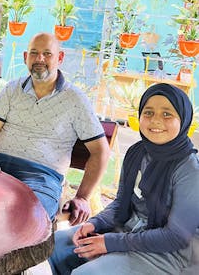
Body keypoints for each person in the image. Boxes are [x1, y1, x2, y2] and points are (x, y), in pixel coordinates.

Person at [49, 83, 199, 275]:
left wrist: (109, 243)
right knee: (57, 245)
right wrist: (94, 224)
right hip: (128, 230)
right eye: (148, 112)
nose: (156, 120)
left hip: (169, 253)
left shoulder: (189, 170)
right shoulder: (137, 152)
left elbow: (175, 237)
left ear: (183, 119)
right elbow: (121, 204)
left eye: (167, 114)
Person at [0, 32, 110, 222]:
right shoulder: (12, 90)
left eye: (47, 54)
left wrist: (82, 197)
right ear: (25, 57)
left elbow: (100, 151)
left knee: (27, 217)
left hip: (42, 178)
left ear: (60, 58)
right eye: (34, 53)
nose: (40, 59)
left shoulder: (75, 100)